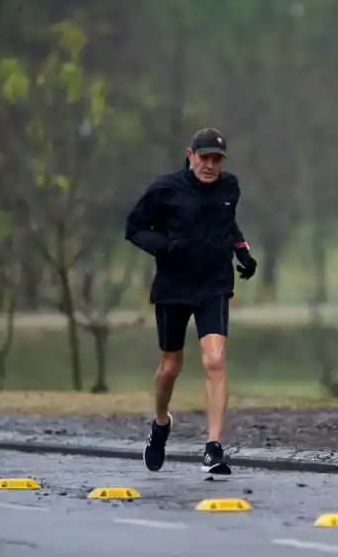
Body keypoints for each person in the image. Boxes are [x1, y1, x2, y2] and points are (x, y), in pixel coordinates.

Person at [124, 127, 257, 475]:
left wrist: (242, 252)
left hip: (213, 284)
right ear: (190, 155)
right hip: (174, 287)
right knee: (171, 368)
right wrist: (165, 247)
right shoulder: (166, 188)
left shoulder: (230, 187)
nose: (210, 165)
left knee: (214, 360)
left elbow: (228, 225)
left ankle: (213, 448)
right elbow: (134, 227)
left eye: (217, 159)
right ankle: (161, 423)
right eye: (204, 158)